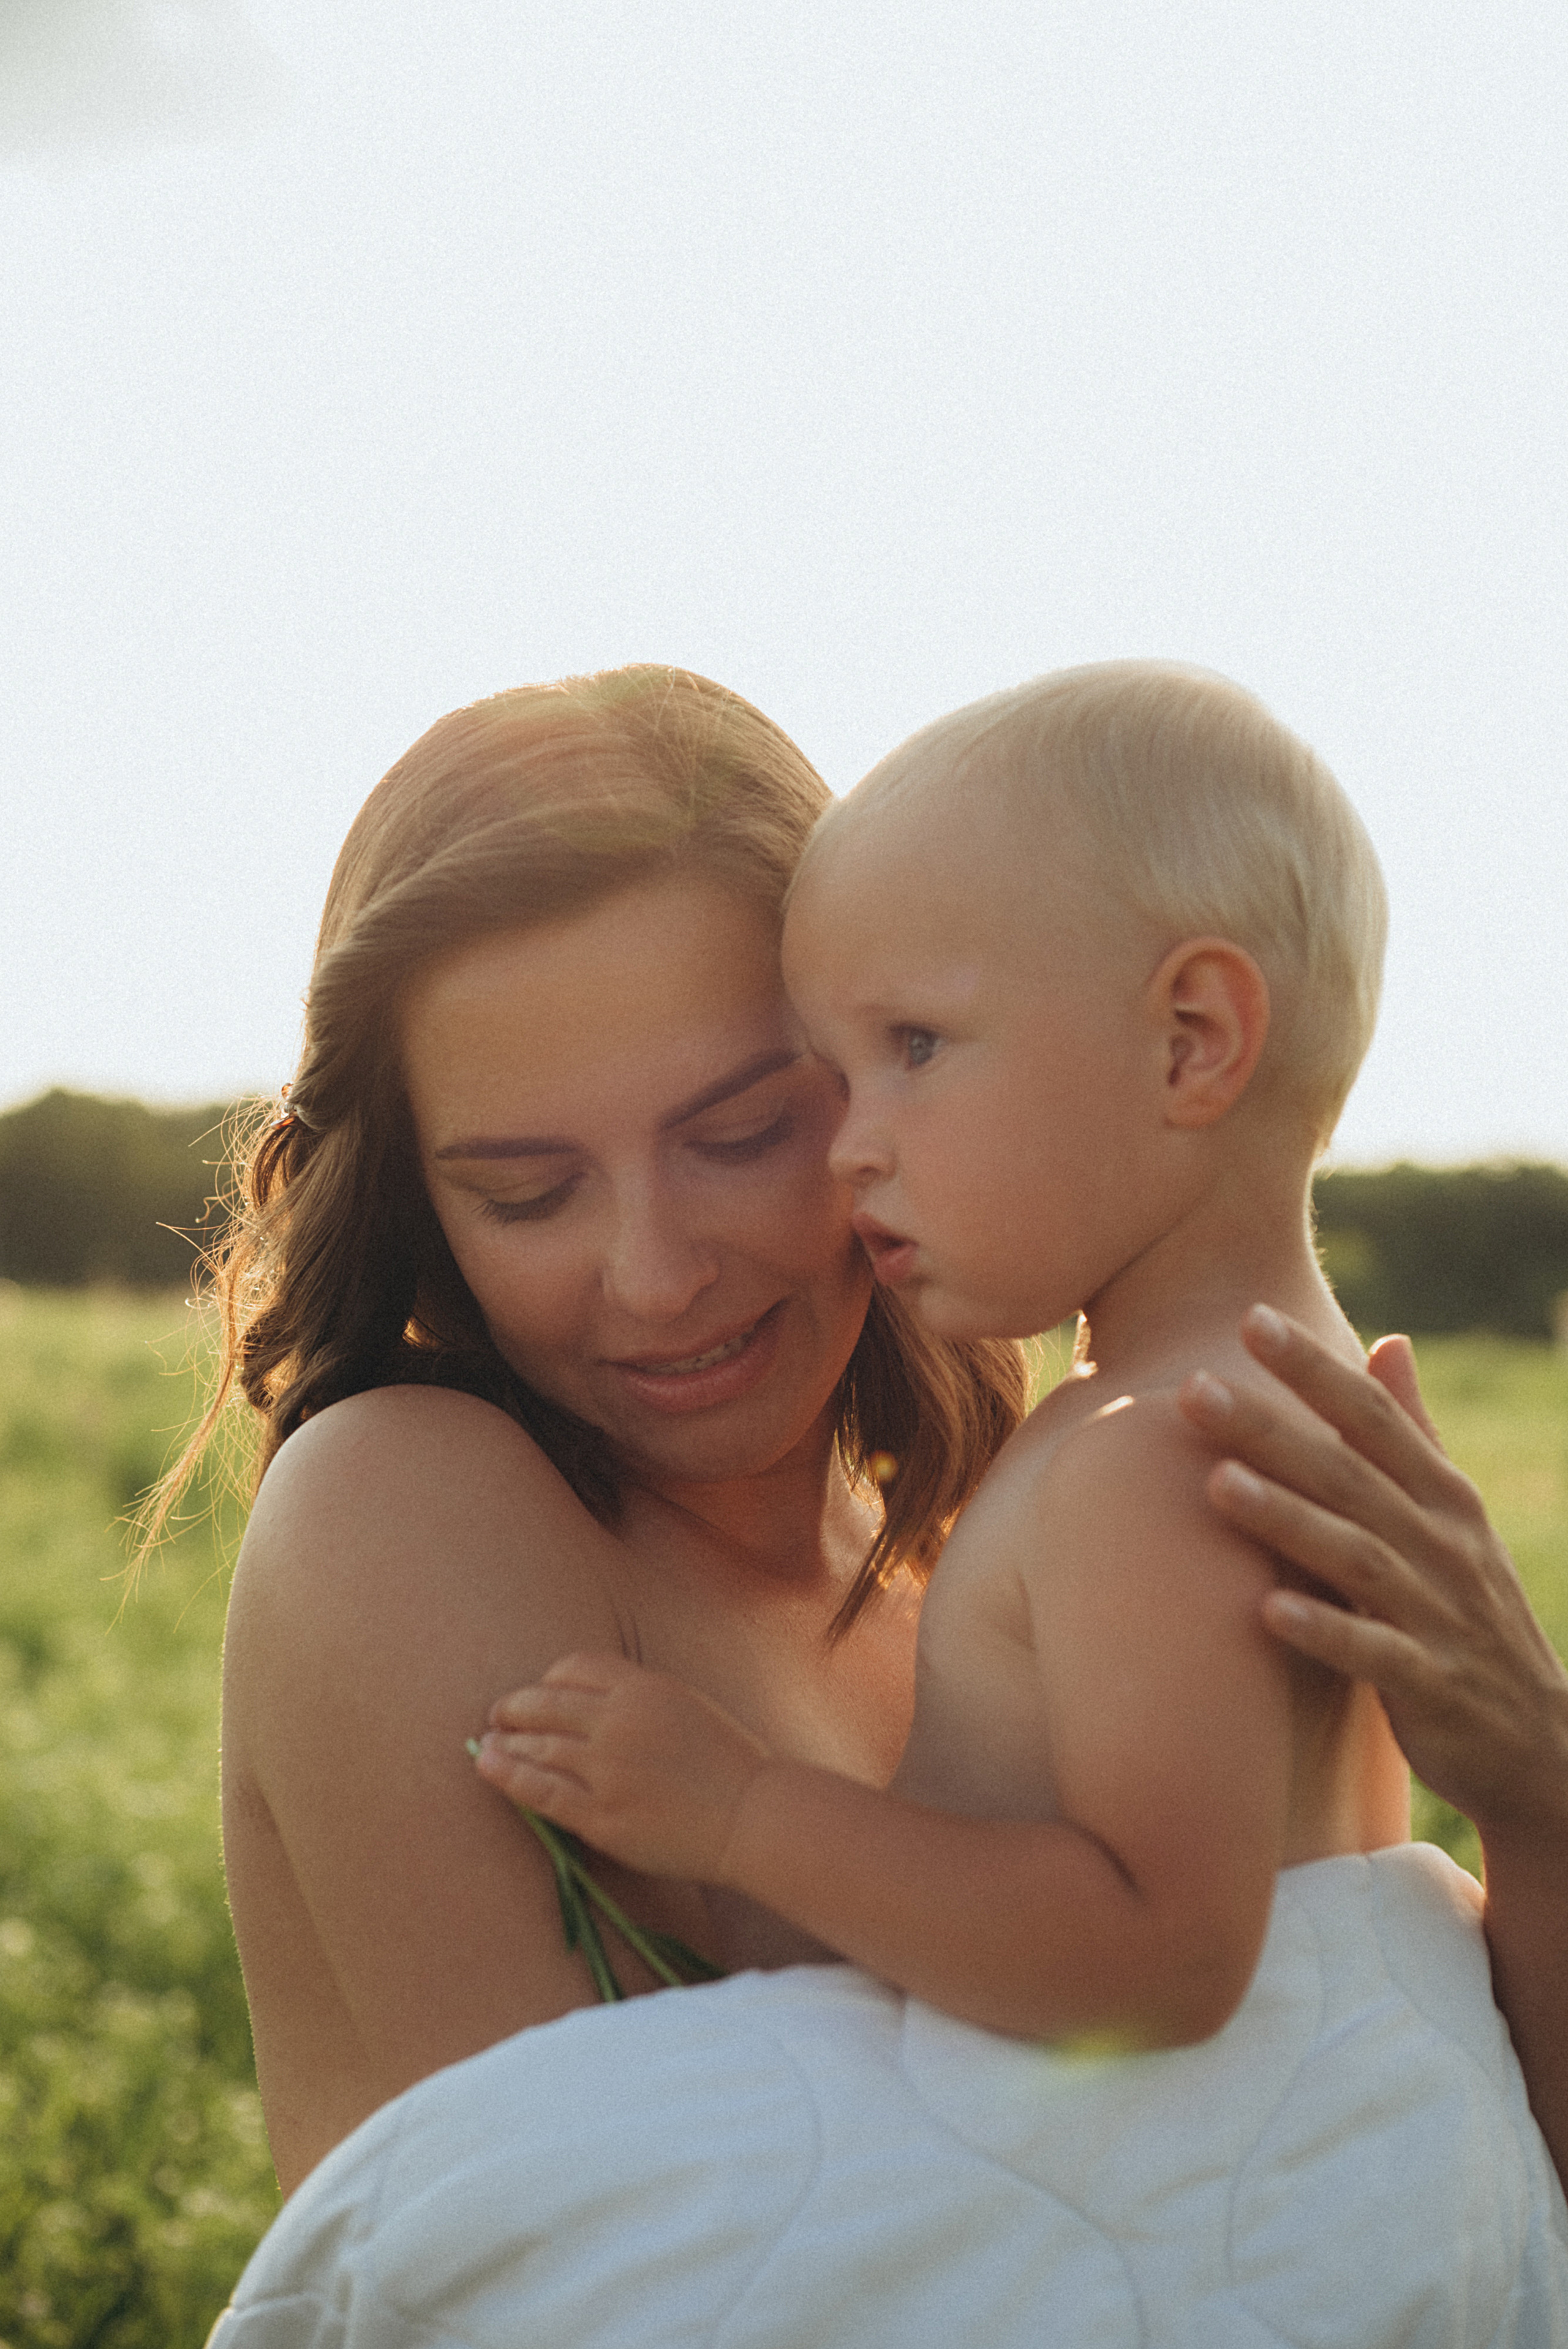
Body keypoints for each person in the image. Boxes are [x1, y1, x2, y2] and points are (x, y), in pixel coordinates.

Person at [205, 665, 1568, 2343]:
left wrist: (1538, 1800)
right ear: (420, 1201)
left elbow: (1449, 2190)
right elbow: (632, 2288)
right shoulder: (411, 1506)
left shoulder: (1017, 1538)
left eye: (748, 1128)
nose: (655, 1272)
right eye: (528, 1188)